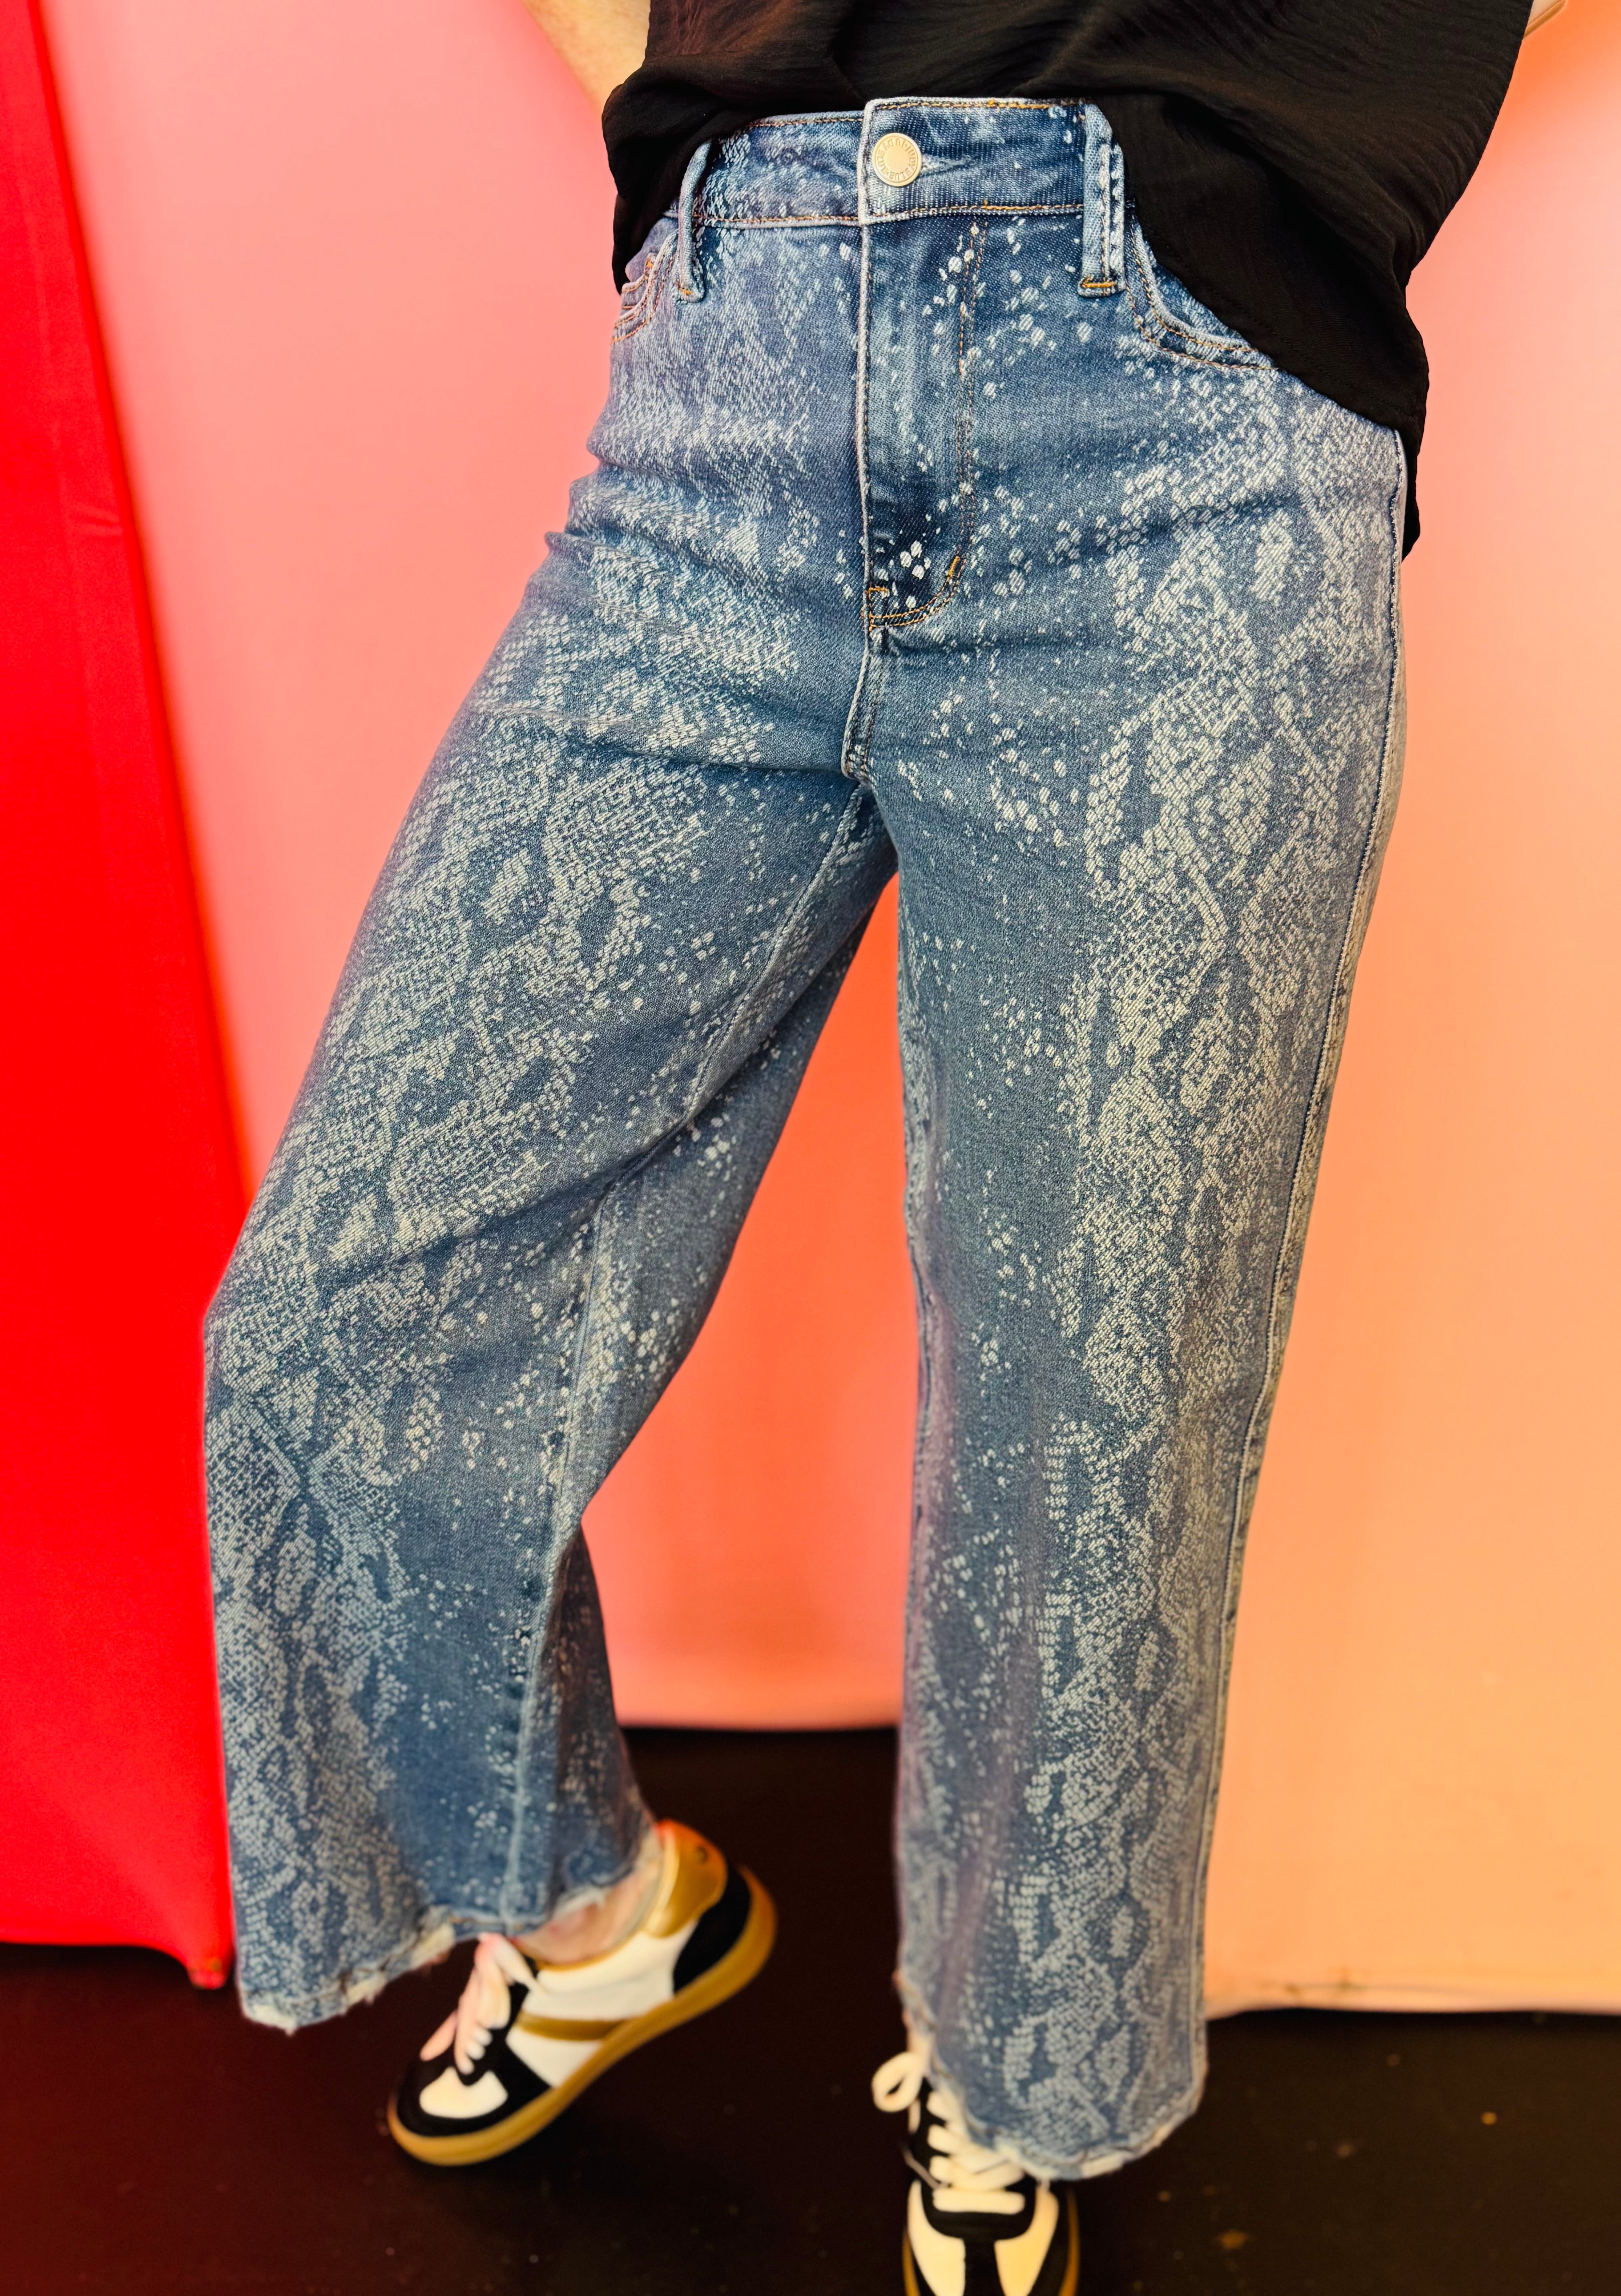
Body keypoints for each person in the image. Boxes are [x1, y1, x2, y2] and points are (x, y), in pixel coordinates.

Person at [203, 3, 1562, 2288]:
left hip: (1189, 438)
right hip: (731, 387)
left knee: (1093, 1408)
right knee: (342, 1314)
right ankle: (590, 1911)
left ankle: (1010, 2074)